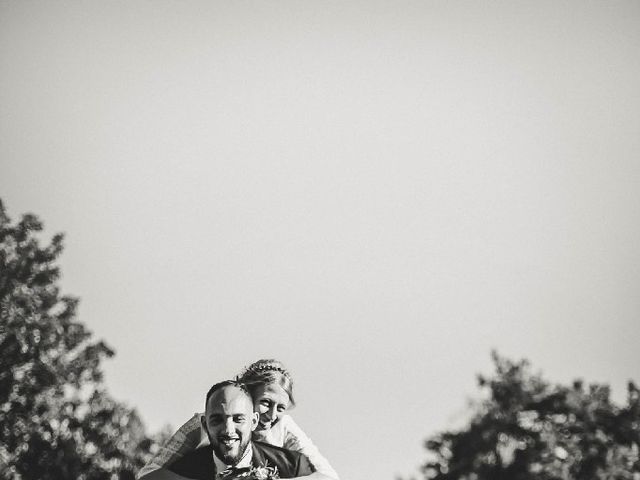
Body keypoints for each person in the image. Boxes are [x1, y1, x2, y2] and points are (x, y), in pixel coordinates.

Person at [138, 360, 338, 480]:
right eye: (266, 402)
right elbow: (149, 473)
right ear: (246, 397)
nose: (271, 415)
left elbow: (328, 477)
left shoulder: (285, 428)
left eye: (281, 408)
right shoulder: (202, 424)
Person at [168, 380, 314, 479]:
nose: (228, 430)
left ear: (254, 421)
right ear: (205, 425)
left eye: (238, 419)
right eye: (217, 420)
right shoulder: (181, 471)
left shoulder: (294, 468)